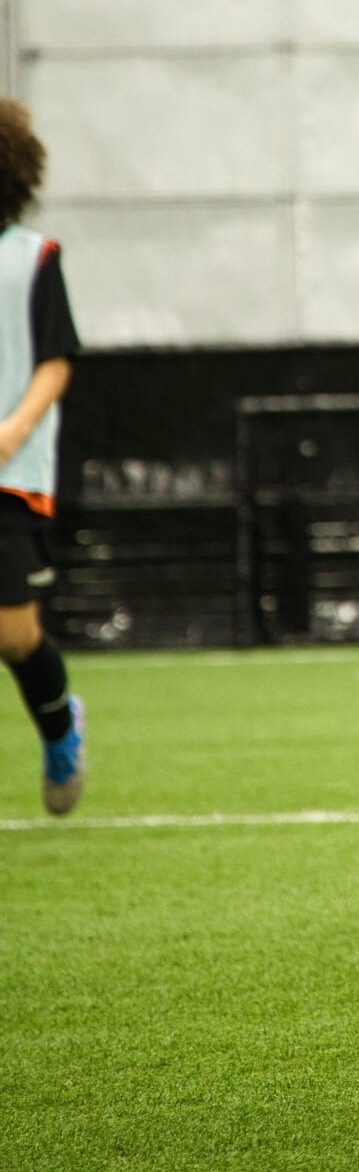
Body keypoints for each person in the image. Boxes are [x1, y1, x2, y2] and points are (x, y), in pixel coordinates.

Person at [0, 102, 84, 813]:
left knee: (13, 632)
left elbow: (56, 362)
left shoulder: (33, 259)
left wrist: (15, 428)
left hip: (7, 473)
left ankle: (60, 729)